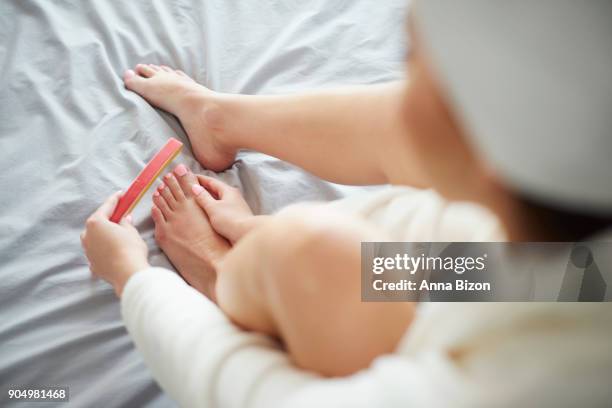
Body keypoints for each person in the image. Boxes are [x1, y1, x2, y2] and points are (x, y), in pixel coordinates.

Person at [81, 1, 612, 406]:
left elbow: (259, 395)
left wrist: (134, 278)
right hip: (503, 288)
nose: (398, 86)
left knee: (306, 251)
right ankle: (218, 121)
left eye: (412, 58)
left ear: (487, 162)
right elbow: (476, 265)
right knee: (312, 248)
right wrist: (256, 235)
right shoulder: (573, 230)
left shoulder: (514, 389)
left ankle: (224, 283)